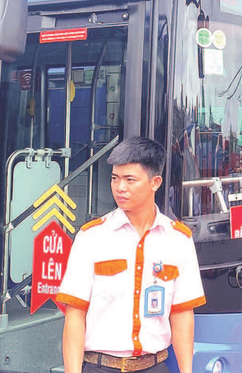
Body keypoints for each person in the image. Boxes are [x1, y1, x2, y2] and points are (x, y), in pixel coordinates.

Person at [57, 137, 206, 373]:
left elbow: (182, 315)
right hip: (101, 367)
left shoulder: (178, 239)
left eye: (130, 179)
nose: (120, 187)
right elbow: (75, 316)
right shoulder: (91, 237)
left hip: (155, 366)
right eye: (115, 178)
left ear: (155, 182)